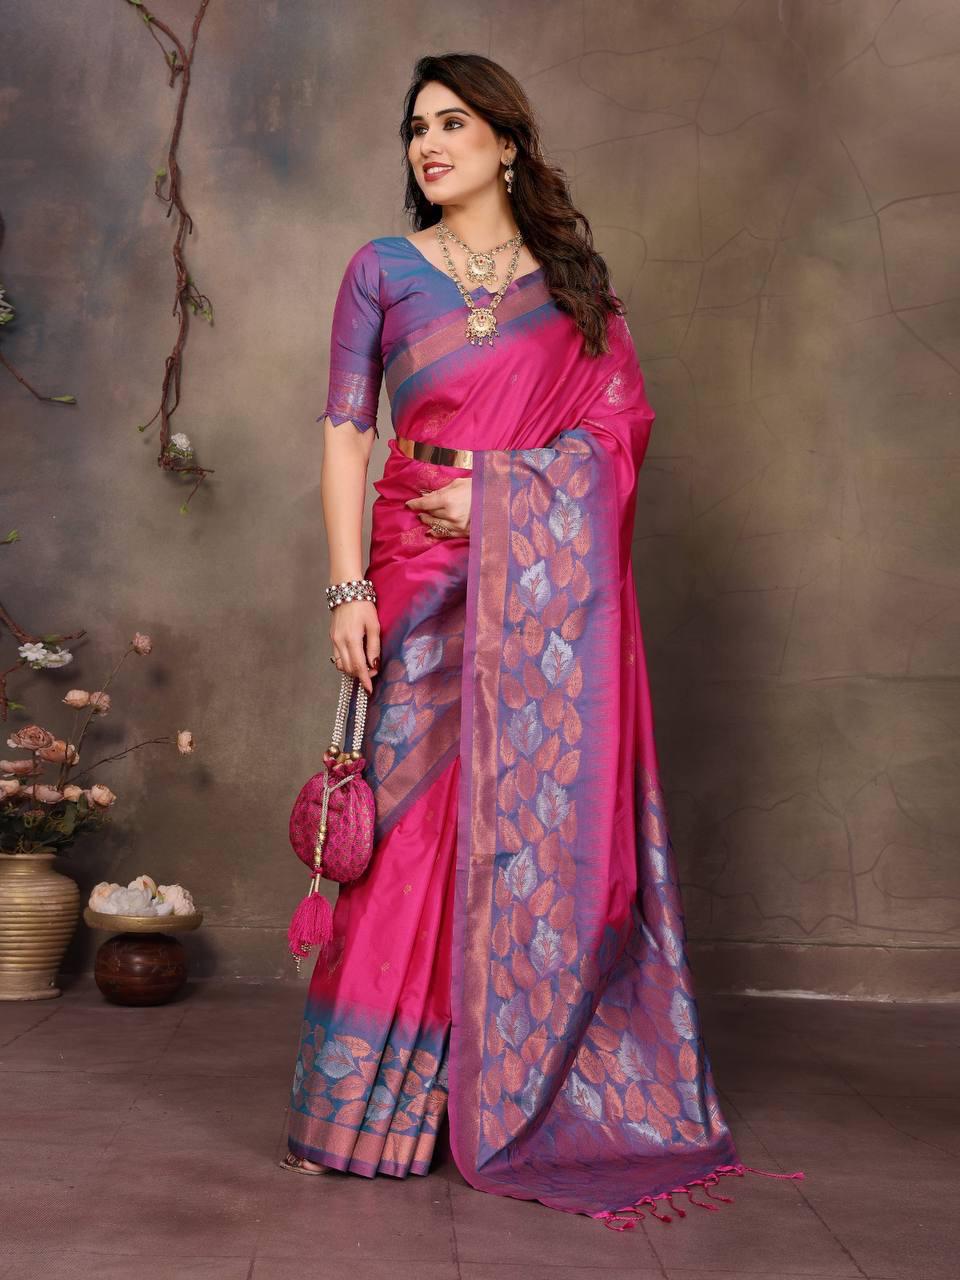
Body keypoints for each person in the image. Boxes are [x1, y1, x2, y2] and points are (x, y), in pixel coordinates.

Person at [281, 51, 803, 1230]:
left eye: (453, 123)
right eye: (417, 127)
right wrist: (346, 586)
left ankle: (490, 1089)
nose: (428, 143)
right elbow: (345, 434)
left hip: (529, 584)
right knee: (407, 829)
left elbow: (620, 435)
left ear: (507, 142)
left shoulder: (573, 291)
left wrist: (501, 500)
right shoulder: (381, 270)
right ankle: (362, 1112)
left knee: (504, 828)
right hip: (412, 570)